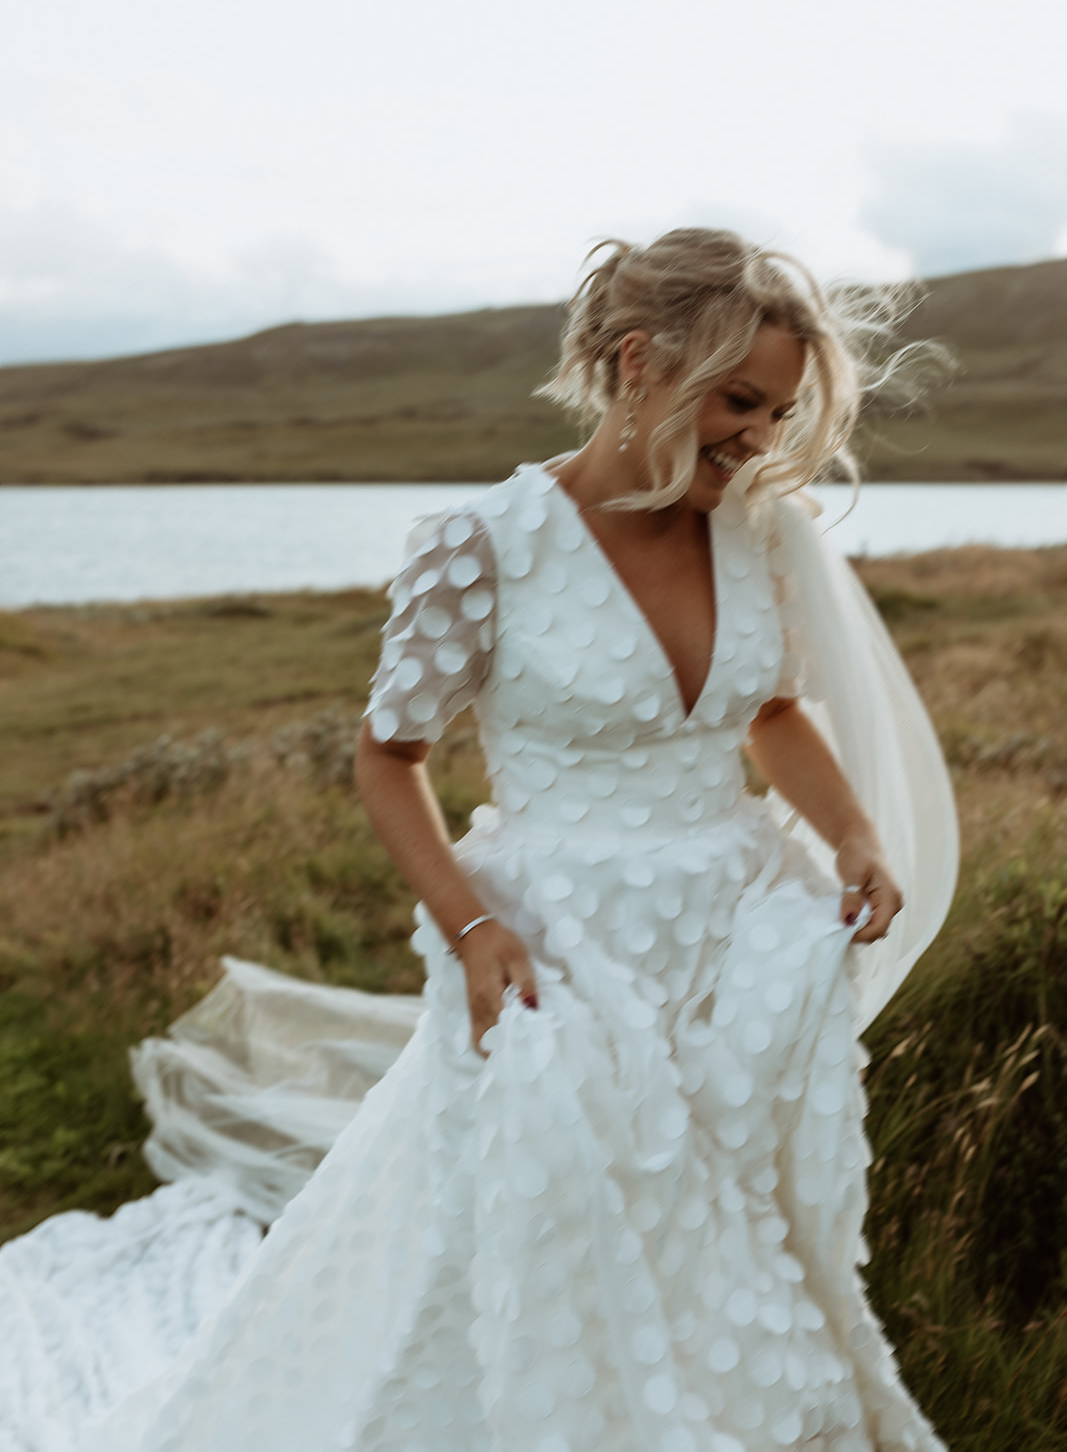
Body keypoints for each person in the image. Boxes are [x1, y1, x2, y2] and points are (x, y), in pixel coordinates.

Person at [81, 228, 957, 1452]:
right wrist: (475, 927)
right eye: (739, 402)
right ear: (638, 362)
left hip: (734, 945)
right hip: (554, 949)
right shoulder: (484, 542)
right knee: (543, 1224)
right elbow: (388, 760)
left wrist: (854, 833)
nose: (759, 438)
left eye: (778, 413)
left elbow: (767, 712)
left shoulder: (756, 533)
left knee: (718, 1224)